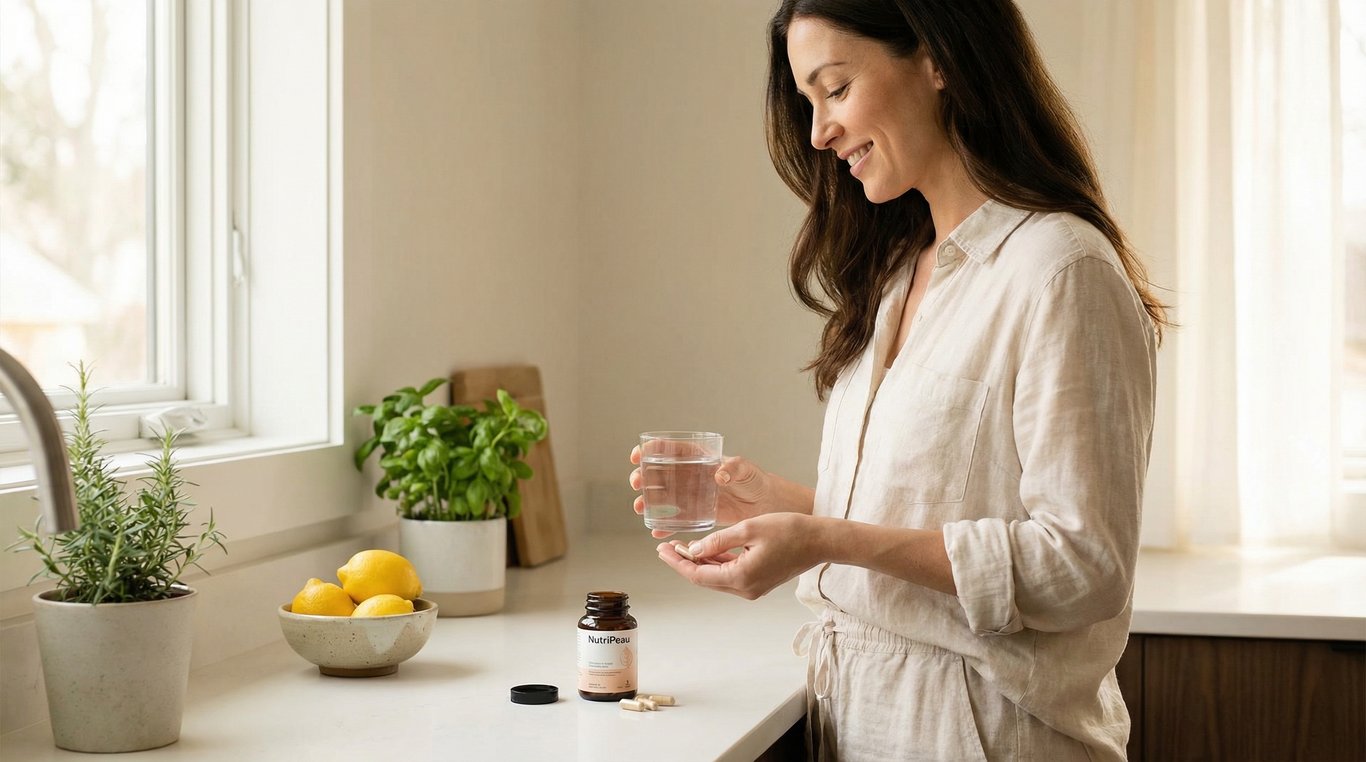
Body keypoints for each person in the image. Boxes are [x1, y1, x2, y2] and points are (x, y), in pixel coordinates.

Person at [628, 0, 1168, 760]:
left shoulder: (1060, 271)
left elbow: (1084, 566)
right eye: (808, 102)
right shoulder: (895, 277)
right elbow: (946, 508)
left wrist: (824, 537)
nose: (819, 133)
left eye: (836, 89)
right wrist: (785, 509)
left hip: (986, 737)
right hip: (866, 720)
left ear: (939, 59)